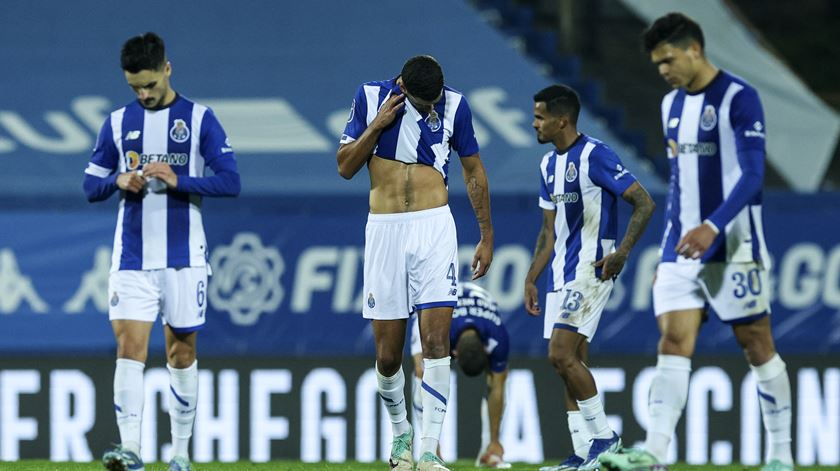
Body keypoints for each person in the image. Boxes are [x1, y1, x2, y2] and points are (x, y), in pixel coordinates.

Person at [599, 13, 793, 471]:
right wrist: (680, 235)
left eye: (669, 59)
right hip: (679, 245)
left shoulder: (739, 98)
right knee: (672, 341)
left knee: (756, 344)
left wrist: (713, 225)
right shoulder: (670, 106)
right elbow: (684, 179)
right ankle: (655, 452)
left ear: (695, 49)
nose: (664, 70)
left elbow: (752, 175)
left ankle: (781, 456)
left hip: (733, 244)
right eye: (657, 64)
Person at [83, 32, 241, 471]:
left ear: (167, 69)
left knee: (180, 354)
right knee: (129, 347)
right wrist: (118, 181)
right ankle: (130, 449)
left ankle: (181, 454)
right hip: (131, 256)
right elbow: (90, 184)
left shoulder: (200, 119)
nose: (144, 94)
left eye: (150, 84)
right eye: (135, 87)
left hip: (184, 257)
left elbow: (231, 181)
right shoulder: (116, 123)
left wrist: (179, 179)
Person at [336, 55, 494, 471]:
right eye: (423, 102)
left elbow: (473, 170)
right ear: (403, 86)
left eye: (434, 102)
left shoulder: (455, 106)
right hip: (385, 228)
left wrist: (486, 234)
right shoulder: (371, 96)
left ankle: (428, 449)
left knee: (437, 344)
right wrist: (376, 126)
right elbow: (345, 167)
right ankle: (401, 433)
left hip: (434, 226)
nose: (430, 109)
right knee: (388, 356)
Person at [523, 84, 655, 471]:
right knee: (572, 361)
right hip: (559, 277)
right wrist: (533, 278)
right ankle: (583, 455)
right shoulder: (547, 166)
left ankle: (605, 439)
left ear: (561, 120)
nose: (534, 124)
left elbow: (644, 202)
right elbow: (548, 233)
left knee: (560, 354)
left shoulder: (596, 155)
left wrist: (623, 252)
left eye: (539, 117)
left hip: (592, 270)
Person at [409, 282, 510, 469]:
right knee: (422, 374)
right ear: (453, 354)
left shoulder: (498, 335)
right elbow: (420, 368)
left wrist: (495, 441)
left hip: (481, 302)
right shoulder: (437, 327)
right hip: (436, 305)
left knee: (500, 377)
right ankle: (430, 451)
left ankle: (492, 449)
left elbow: (498, 383)